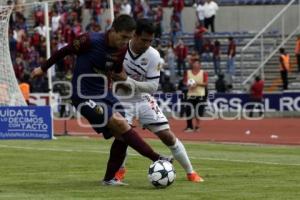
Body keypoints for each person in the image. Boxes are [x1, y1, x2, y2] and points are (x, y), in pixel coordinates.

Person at [31, 14, 170, 186]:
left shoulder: (122, 50)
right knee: (120, 124)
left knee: (122, 134)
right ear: (113, 31)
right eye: (123, 37)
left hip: (105, 94)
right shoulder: (89, 40)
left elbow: (118, 71)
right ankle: (157, 158)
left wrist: (126, 80)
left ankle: (109, 179)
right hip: (83, 95)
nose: (125, 41)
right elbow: (64, 51)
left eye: (128, 37)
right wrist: (42, 68)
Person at [112, 18, 204, 183]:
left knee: (167, 136)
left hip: (143, 99)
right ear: (134, 35)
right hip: (121, 100)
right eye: (144, 40)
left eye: (150, 40)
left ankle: (191, 172)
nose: (147, 44)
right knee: (122, 137)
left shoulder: (154, 55)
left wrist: (127, 82)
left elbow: (152, 87)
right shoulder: (119, 49)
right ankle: (119, 172)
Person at [184, 59, 208, 132]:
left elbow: (206, 83)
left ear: (199, 65)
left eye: (197, 64)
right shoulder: (188, 72)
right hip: (190, 94)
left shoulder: (203, 73)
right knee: (188, 109)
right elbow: (185, 82)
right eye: (194, 64)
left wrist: (196, 84)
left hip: (200, 94)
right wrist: (188, 85)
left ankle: (197, 126)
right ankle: (189, 126)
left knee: (199, 111)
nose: (195, 65)